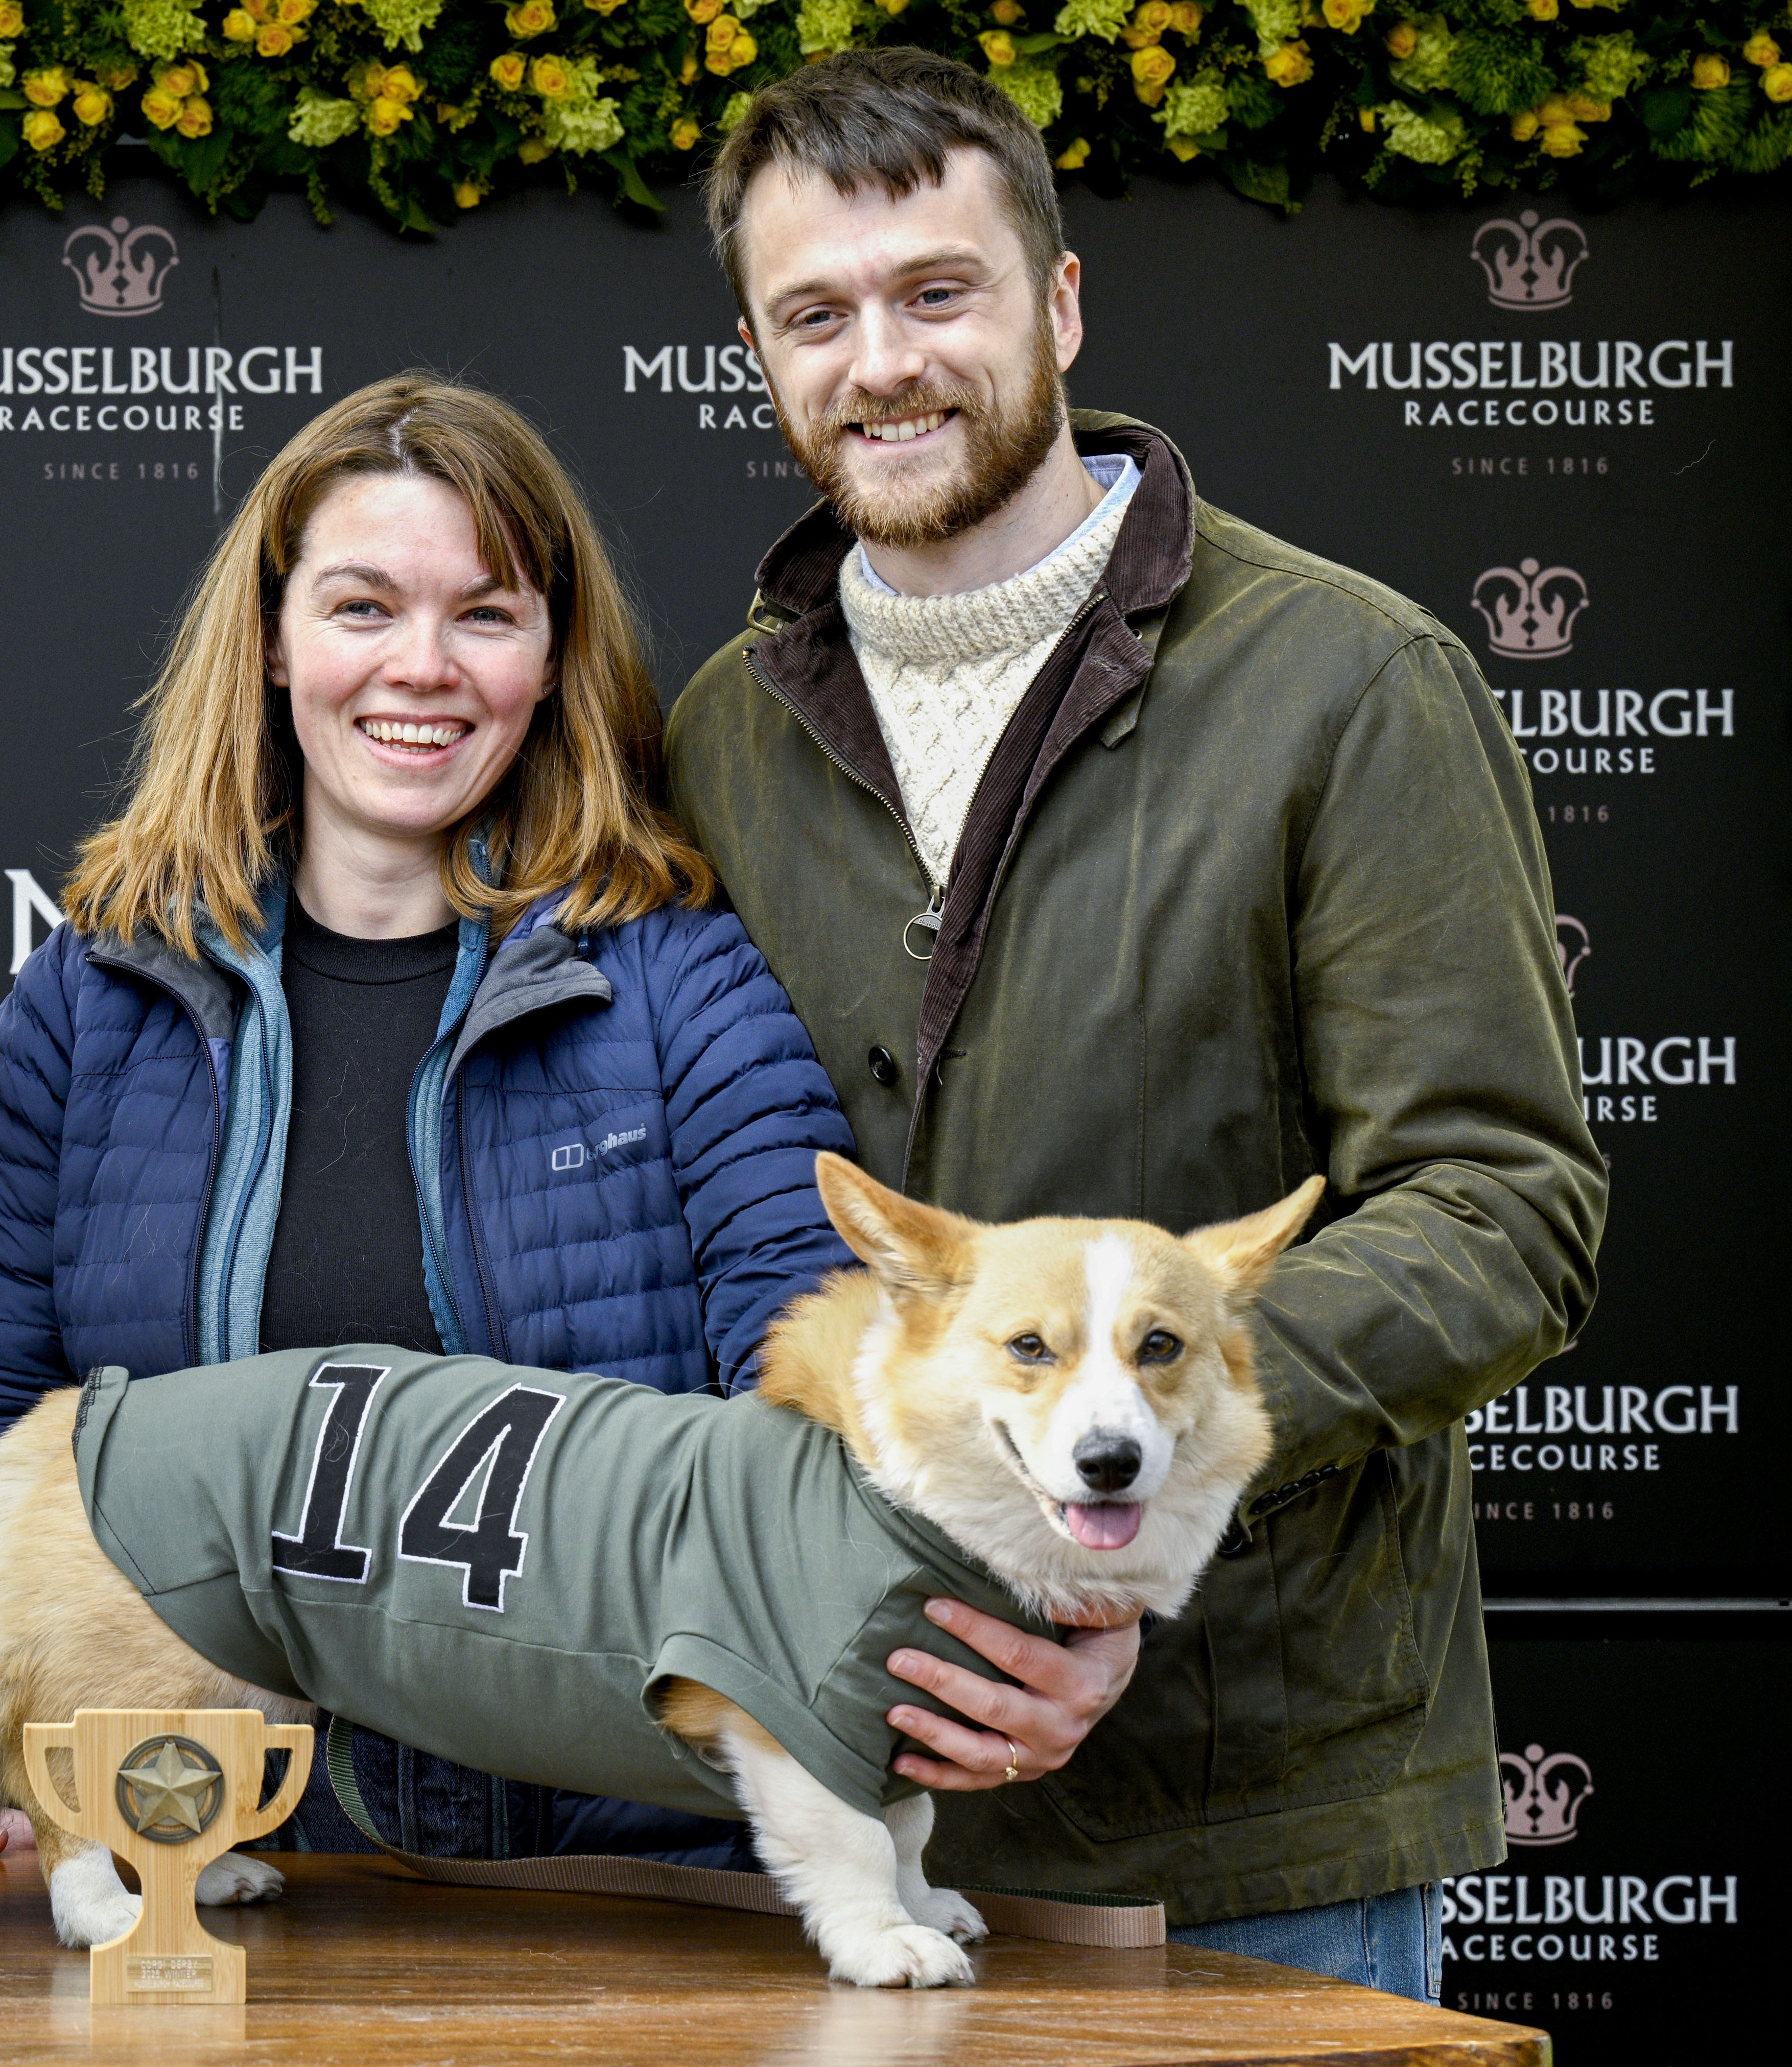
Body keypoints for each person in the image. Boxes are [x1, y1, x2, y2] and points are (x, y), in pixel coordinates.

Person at [667, 50, 1605, 1999]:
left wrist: (1152, 1468)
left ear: (1063, 303)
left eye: (940, 292)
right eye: (813, 315)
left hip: (1252, 1819)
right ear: (758, 348)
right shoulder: (714, 739)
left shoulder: (1352, 684)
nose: (881, 362)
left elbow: (1501, 1204)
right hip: (853, 1793)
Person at [0, 374, 867, 1866]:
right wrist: (55, 1714)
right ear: (275, 641)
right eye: (362, 608)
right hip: (206, 1866)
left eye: (485, 613)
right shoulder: (89, 1006)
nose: (423, 668)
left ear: (551, 658)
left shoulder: (681, 979)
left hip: (628, 1885)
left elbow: (811, 1406)